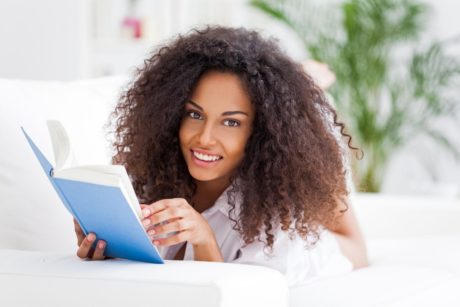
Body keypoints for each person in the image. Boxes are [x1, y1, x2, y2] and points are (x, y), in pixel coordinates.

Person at [74, 26, 368, 286]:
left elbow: (228, 297)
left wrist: (203, 239)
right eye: (194, 114)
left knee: (314, 138)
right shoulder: (151, 178)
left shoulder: (276, 230)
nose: (204, 138)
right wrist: (105, 252)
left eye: (231, 122)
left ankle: (309, 84)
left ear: (259, 130)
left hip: (326, 249)